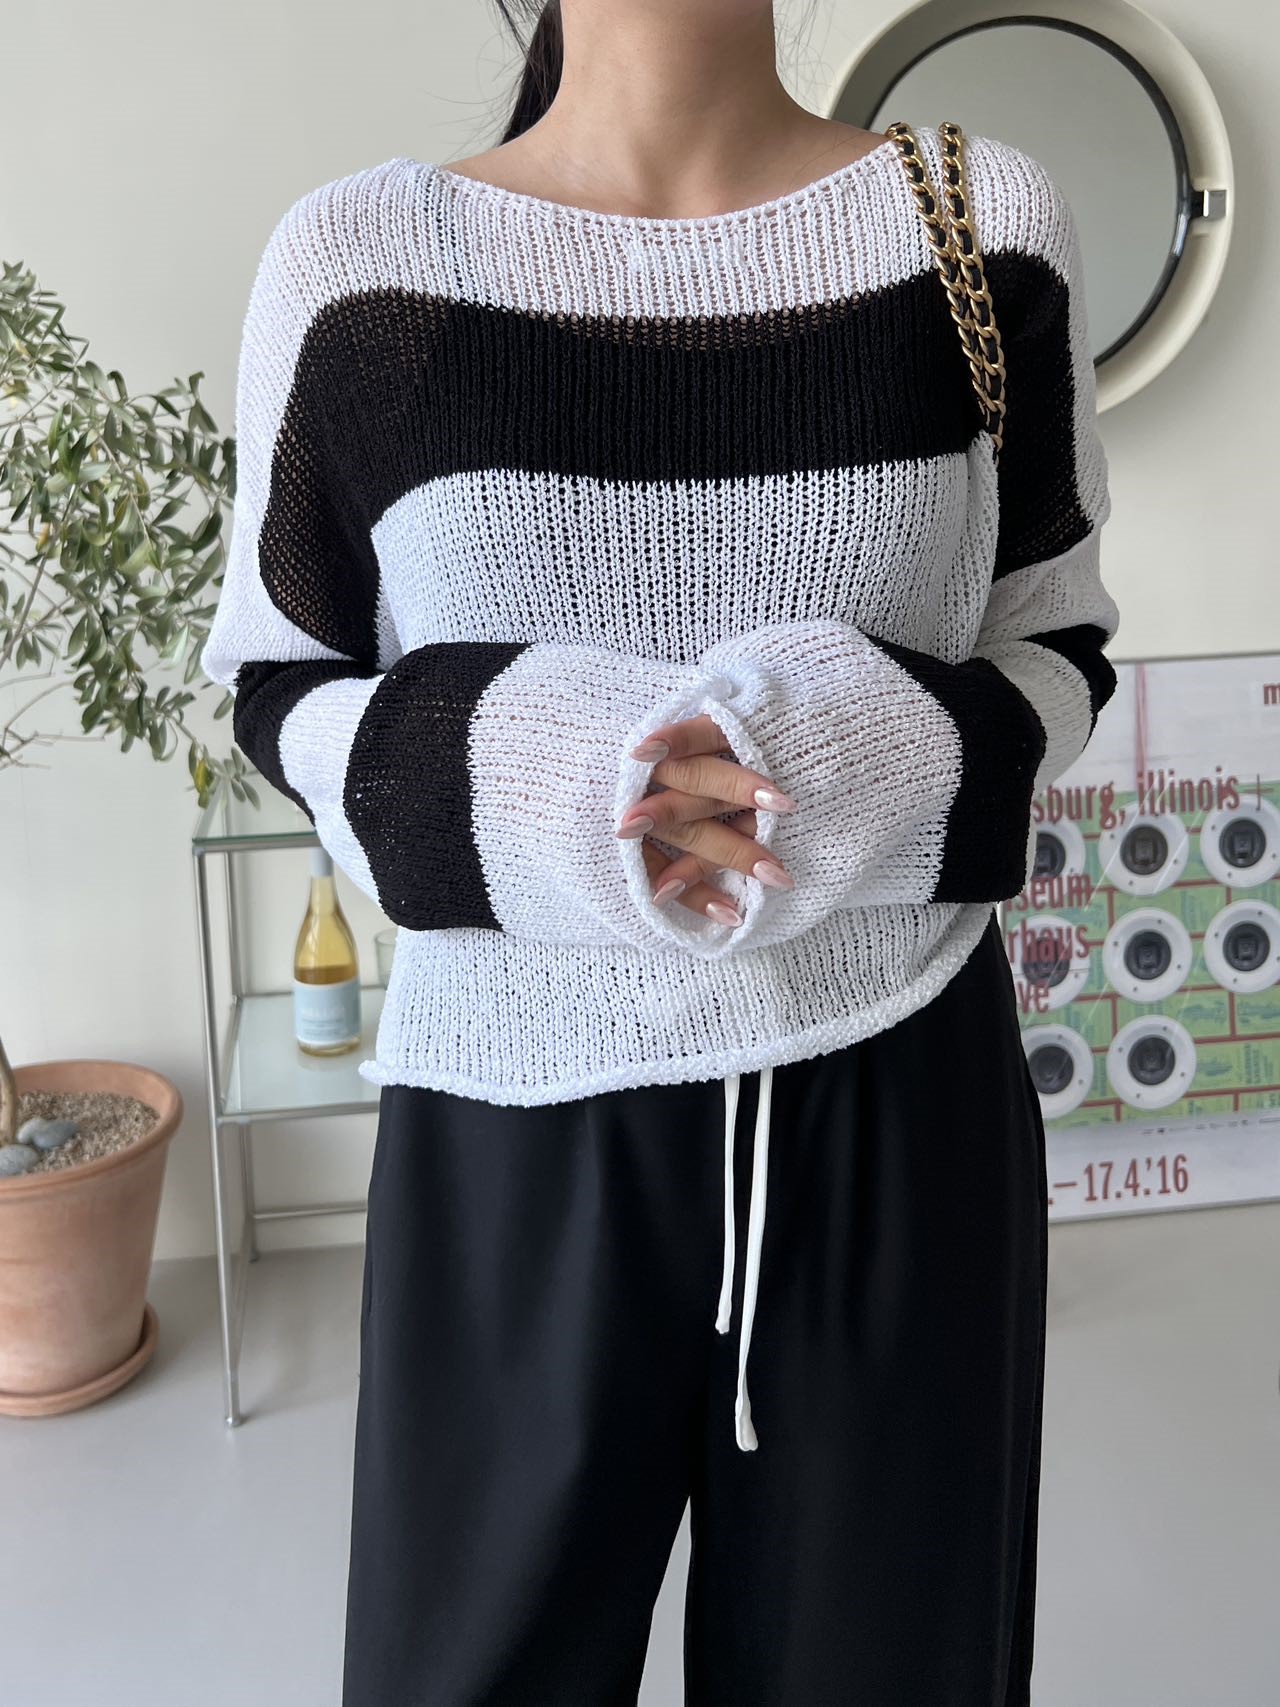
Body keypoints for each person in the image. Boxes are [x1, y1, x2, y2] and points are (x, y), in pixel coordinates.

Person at [200, 0, 1120, 1699]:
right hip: (514, 1117)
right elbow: (276, 681)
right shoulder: (361, 266)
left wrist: (853, 761)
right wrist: (532, 783)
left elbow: (1056, 642)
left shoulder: (982, 226)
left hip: (891, 1103)